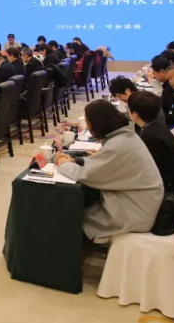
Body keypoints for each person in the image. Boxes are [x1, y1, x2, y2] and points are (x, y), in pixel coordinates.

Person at [55, 100, 163, 242]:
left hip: (135, 212)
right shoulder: (126, 136)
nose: (88, 126)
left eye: (88, 122)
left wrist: (63, 164)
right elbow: (104, 165)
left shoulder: (118, 144)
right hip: (140, 202)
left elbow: (87, 174)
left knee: (70, 214)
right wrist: (75, 160)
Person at [127, 91, 174, 192]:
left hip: (161, 188)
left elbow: (146, 170)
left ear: (135, 114)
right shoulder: (157, 126)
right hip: (167, 179)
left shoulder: (150, 137)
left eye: (129, 109)